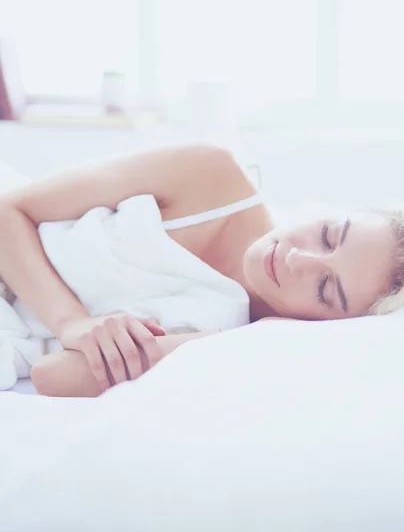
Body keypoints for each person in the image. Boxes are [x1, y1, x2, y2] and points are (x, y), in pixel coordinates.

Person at [0, 143, 402, 398]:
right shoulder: (214, 175)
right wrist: (71, 322)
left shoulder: (225, 336)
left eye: (325, 291)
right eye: (328, 235)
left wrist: (255, 340)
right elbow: (8, 210)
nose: (299, 259)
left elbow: (51, 375)